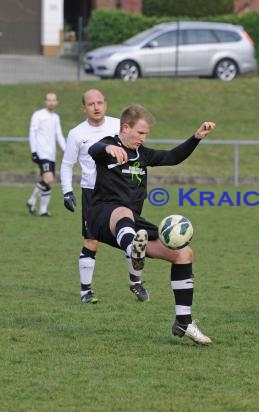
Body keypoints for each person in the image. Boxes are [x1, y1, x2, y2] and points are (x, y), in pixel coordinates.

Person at [87, 104, 215, 345]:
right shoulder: (108, 144)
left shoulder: (142, 154)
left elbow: (173, 157)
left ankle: (183, 322)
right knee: (123, 211)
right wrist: (110, 147)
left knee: (183, 253)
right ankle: (132, 250)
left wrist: (196, 138)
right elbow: (95, 149)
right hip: (102, 215)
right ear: (126, 127)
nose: (143, 138)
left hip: (132, 222)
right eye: (141, 133)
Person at [60, 89, 134, 304]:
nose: (96, 107)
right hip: (92, 192)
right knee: (92, 240)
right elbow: (67, 165)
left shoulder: (119, 126)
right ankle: (85, 291)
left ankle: (135, 282)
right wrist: (67, 191)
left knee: (131, 236)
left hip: (119, 189)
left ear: (106, 104)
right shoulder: (76, 133)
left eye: (100, 102)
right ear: (84, 108)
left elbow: (135, 153)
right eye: (91, 104)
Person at [26, 92, 66, 217]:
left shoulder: (56, 117)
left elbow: (59, 135)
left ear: (57, 102)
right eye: (49, 100)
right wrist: (34, 151)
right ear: (45, 101)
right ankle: (31, 200)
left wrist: (66, 150)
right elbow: (32, 133)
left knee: (48, 182)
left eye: (53, 100)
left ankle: (43, 210)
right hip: (41, 153)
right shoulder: (38, 115)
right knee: (48, 179)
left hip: (51, 154)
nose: (51, 102)